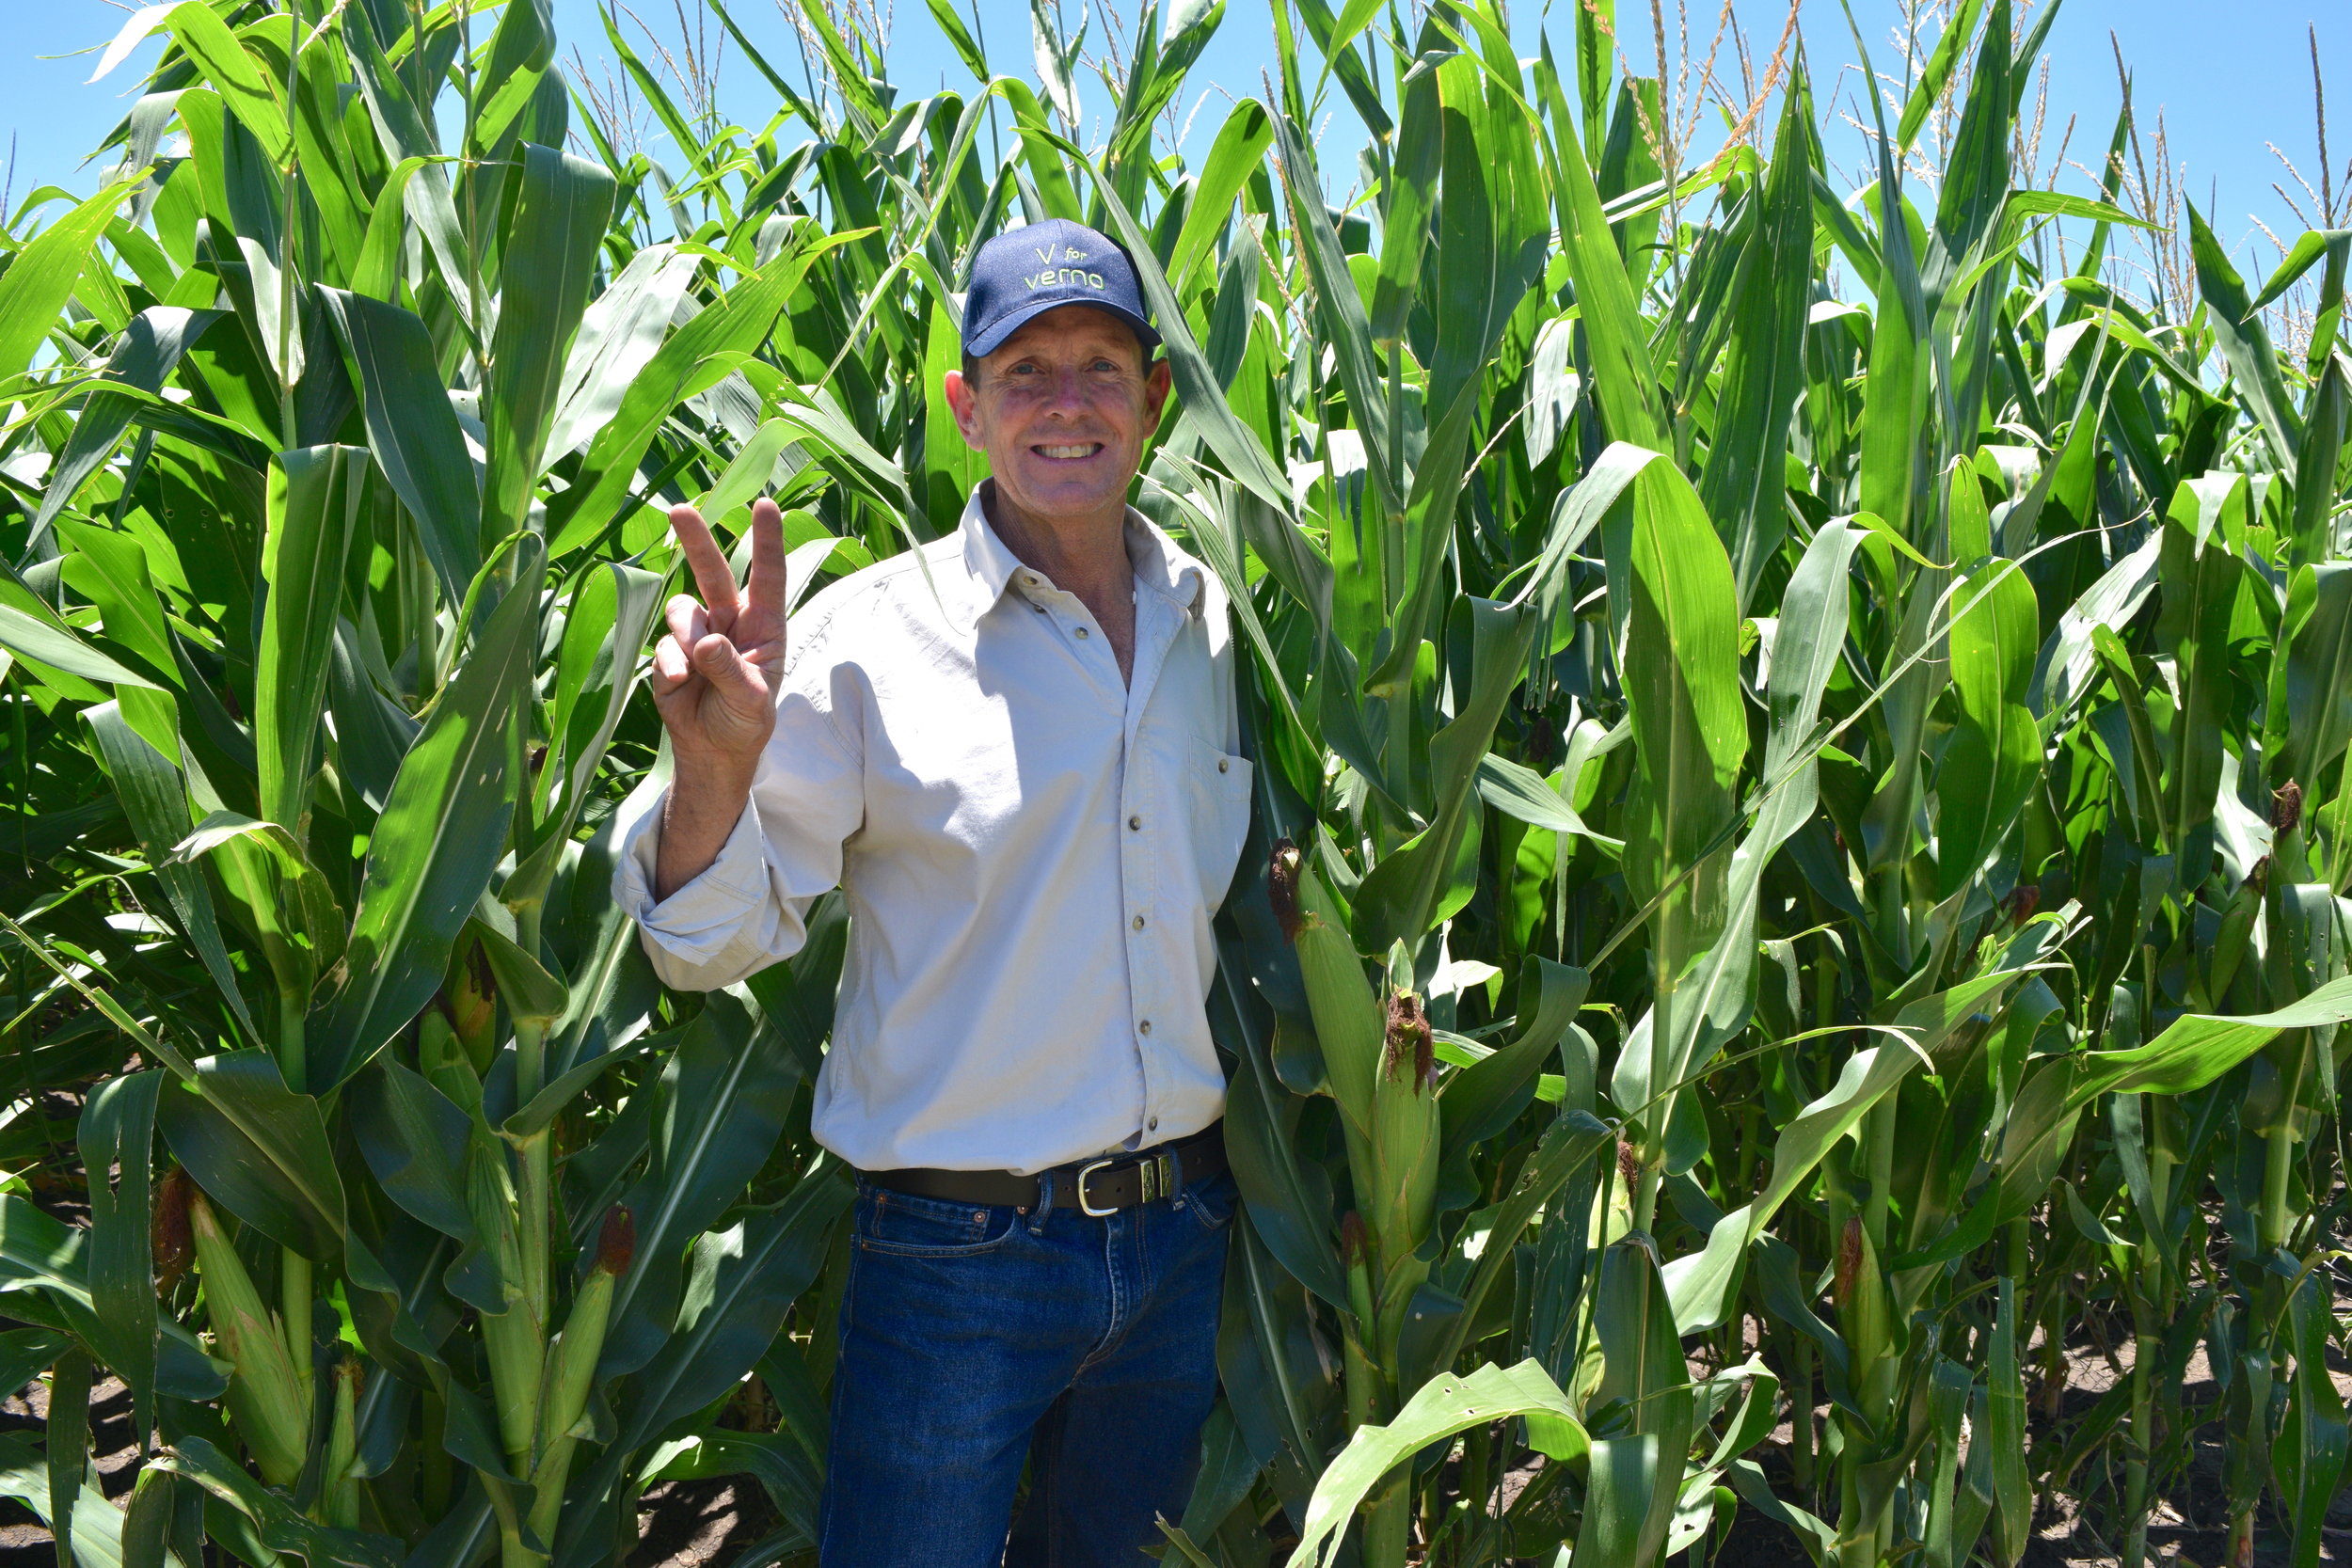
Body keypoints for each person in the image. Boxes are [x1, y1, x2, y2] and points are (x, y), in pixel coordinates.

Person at [614, 216, 1253, 1566]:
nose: (1066, 402)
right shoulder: (869, 641)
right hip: (963, 1257)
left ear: (1154, 400)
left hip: (1184, 1241)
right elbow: (703, 946)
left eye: (1099, 365)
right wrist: (717, 773)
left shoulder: (1212, 619)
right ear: (966, 409)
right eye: (1025, 372)